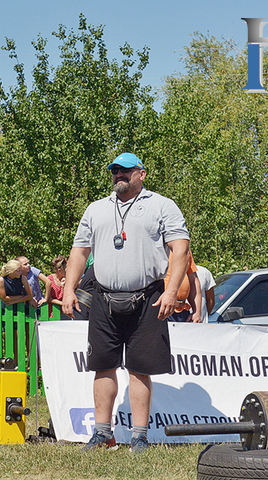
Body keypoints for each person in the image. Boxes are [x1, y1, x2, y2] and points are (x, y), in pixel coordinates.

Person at [62, 152, 190, 454]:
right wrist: (68, 289)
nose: (119, 174)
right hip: (103, 298)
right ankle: (102, 433)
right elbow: (79, 252)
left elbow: (181, 249)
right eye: (115, 171)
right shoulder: (96, 209)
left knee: (139, 369)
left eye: (126, 170)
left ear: (141, 174)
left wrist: (171, 291)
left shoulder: (162, 205)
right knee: (102, 366)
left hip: (148, 298)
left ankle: (139, 436)